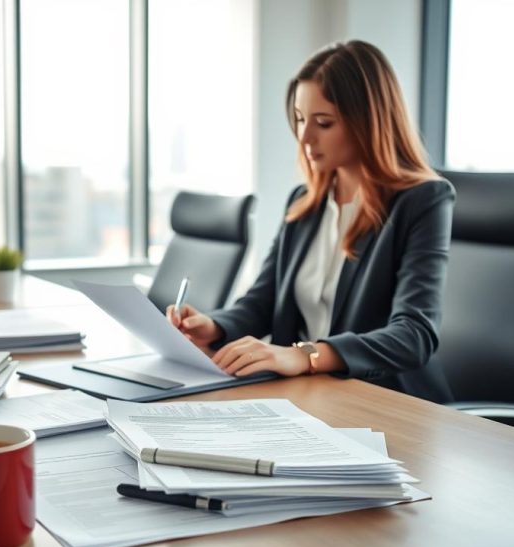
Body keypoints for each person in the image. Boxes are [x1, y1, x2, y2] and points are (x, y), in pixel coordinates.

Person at [167, 40, 455, 403]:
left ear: (368, 122)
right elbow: (262, 301)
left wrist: (306, 355)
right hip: (309, 396)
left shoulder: (422, 201)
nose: (304, 137)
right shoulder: (305, 203)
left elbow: (414, 334)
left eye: (323, 123)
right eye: (300, 119)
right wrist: (214, 326)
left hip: (385, 402)